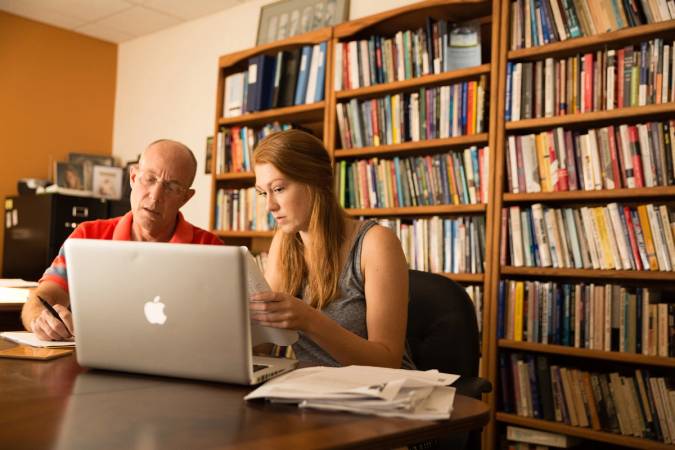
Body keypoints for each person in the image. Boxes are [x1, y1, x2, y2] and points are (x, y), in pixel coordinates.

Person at [22, 139, 223, 341]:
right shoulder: (87, 237)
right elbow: (40, 299)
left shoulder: (212, 249)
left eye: (171, 187)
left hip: (181, 364)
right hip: (95, 361)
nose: (155, 196)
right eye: (150, 179)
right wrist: (40, 319)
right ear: (133, 177)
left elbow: (228, 326)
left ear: (185, 198)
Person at [250, 130, 414, 369]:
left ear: (316, 180)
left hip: (377, 393)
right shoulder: (284, 243)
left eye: (278, 189)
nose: (270, 206)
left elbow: (387, 362)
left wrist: (310, 320)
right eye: (263, 193)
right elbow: (264, 345)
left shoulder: (376, 243)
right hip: (308, 390)